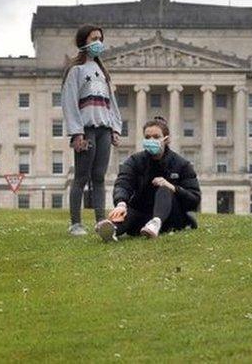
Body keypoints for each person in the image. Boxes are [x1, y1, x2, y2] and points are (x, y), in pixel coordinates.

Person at [95, 117, 200, 241]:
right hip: (142, 212)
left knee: (164, 188)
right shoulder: (135, 161)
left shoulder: (181, 164)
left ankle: (155, 223)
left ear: (166, 139)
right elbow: (123, 183)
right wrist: (121, 203)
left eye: (156, 137)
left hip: (171, 216)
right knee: (127, 212)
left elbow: (194, 200)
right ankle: (112, 229)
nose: (151, 140)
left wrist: (173, 187)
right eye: (147, 137)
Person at [61, 24, 123, 236]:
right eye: (94, 38)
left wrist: (115, 127)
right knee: (81, 177)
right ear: (84, 42)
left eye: (100, 39)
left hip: (104, 129)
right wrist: (76, 132)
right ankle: (75, 224)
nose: (99, 43)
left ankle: (101, 221)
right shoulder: (76, 70)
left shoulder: (103, 73)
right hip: (86, 130)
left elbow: (111, 103)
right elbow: (69, 102)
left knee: (99, 176)